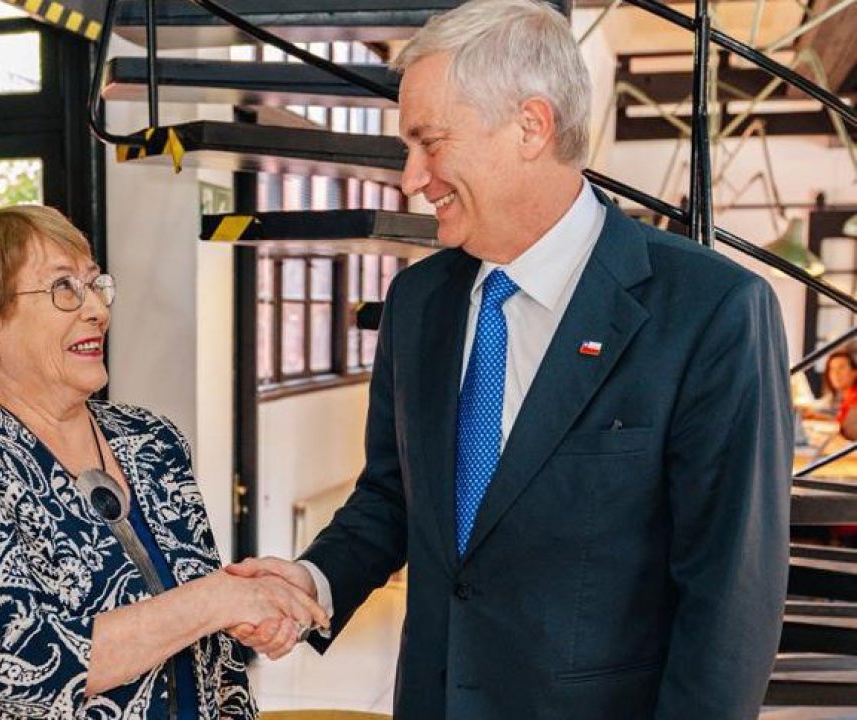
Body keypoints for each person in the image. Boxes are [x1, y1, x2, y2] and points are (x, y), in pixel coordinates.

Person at [227, 0, 792, 718]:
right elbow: (393, 497)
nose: (411, 178)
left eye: (431, 143)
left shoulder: (712, 310)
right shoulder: (417, 302)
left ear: (531, 126)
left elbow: (731, 603)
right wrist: (315, 580)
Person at [0, 205, 327, 719]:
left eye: (95, 285)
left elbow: (215, 660)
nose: (96, 308)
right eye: (64, 288)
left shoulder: (152, 441)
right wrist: (218, 600)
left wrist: (243, 613)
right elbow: (14, 663)